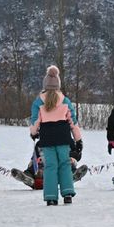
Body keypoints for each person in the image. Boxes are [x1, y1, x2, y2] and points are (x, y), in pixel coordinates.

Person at [29, 65, 82, 206]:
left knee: (50, 166)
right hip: (63, 137)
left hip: (47, 138)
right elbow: (73, 121)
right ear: (57, 84)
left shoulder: (39, 101)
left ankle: (51, 196)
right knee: (65, 164)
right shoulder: (65, 100)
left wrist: (33, 133)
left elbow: (35, 120)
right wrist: (78, 139)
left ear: (45, 84)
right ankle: (68, 193)